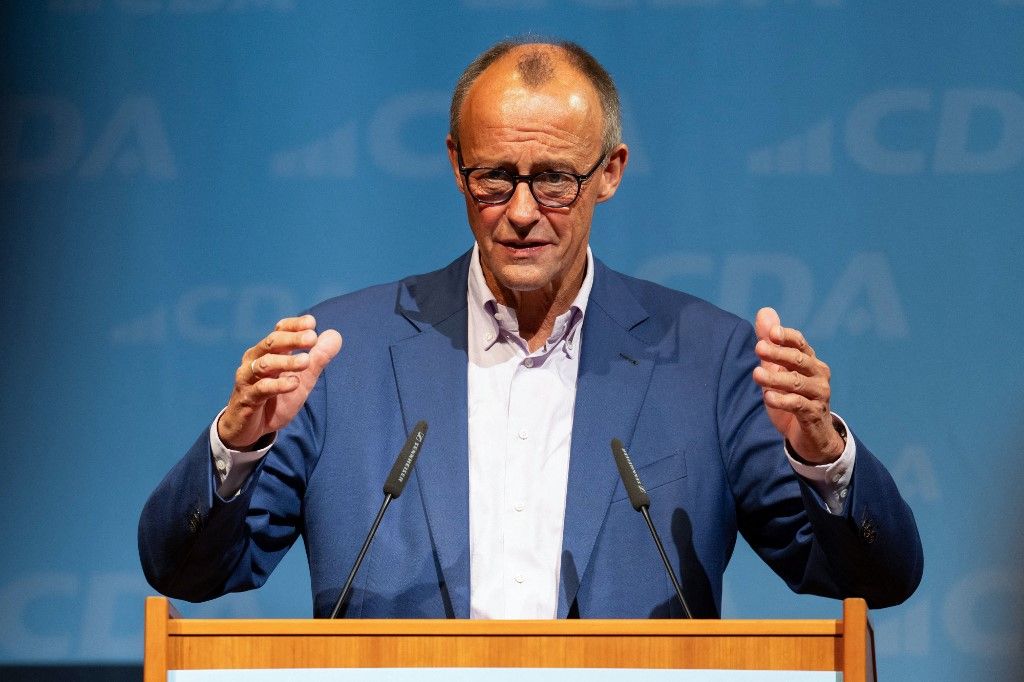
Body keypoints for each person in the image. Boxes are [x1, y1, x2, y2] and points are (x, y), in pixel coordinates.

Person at [139, 39, 922, 619]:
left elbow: (874, 580)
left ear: (609, 172)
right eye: (494, 176)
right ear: (456, 164)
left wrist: (823, 457)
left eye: (552, 179)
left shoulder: (707, 359)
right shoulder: (341, 357)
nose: (519, 211)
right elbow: (190, 573)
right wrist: (237, 444)